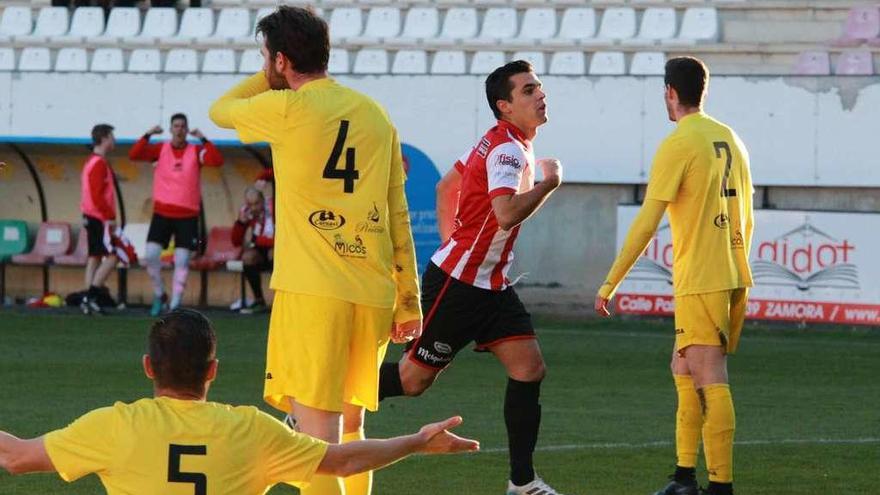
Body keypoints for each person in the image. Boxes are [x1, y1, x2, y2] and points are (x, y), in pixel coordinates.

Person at [208, 6, 421, 495]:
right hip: (371, 291)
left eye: (268, 57)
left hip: (312, 293)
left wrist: (267, 76)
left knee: (315, 438)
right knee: (353, 428)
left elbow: (221, 109)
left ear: (281, 60)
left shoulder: (286, 109)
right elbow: (397, 212)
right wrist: (409, 298)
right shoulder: (375, 114)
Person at [0, 310, 479, 494]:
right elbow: (345, 460)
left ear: (149, 367)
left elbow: (16, 457)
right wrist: (416, 441)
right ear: (213, 370)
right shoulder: (251, 429)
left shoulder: (114, 426)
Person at [377, 60, 566, 495]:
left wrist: (457, 246)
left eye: (539, 87)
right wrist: (549, 184)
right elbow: (505, 214)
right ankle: (318, 399)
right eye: (528, 90)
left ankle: (522, 484)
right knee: (412, 382)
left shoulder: (500, 141)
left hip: (491, 285)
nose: (540, 94)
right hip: (462, 287)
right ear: (504, 105)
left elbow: (447, 188)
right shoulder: (508, 150)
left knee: (529, 368)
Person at [594, 57, 754, 495]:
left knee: (707, 374)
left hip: (703, 276)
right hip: (722, 270)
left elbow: (648, 221)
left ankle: (720, 486)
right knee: (683, 367)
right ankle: (683, 478)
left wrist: (611, 281)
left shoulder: (680, 142)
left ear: (669, 92)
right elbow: (747, 215)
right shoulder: (730, 138)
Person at [129, 113, 224, 316]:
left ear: (187, 129)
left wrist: (204, 139)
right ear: (171, 129)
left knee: (181, 260)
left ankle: (175, 304)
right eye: (176, 126)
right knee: (151, 256)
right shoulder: (160, 149)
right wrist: (148, 134)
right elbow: (135, 154)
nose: (179, 129)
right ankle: (159, 293)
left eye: (183, 126)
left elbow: (217, 160)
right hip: (162, 213)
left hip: (188, 215)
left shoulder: (196, 151)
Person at [79, 123, 119, 315]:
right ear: (104, 138)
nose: (114, 140)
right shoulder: (99, 163)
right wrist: (109, 217)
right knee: (114, 256)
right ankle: (92, 295)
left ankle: (88, 300)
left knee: (95, 256)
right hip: (98, 217)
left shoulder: (91, 161)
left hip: (90, 215)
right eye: (112, 136)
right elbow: (97, 194)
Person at [231, 186, 274, 313]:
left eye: (256, 203)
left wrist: (257, 240)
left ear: (262, 200)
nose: (254, 207)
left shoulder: (274, 209)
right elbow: (236, 242)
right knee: (248, 257)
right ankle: (259, 300)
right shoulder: (247, 212)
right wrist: (240, 223)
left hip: (280, 249)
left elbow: (279, 238)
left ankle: (280, 301)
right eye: (250, 204)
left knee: (274, 253)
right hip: (261, 250)